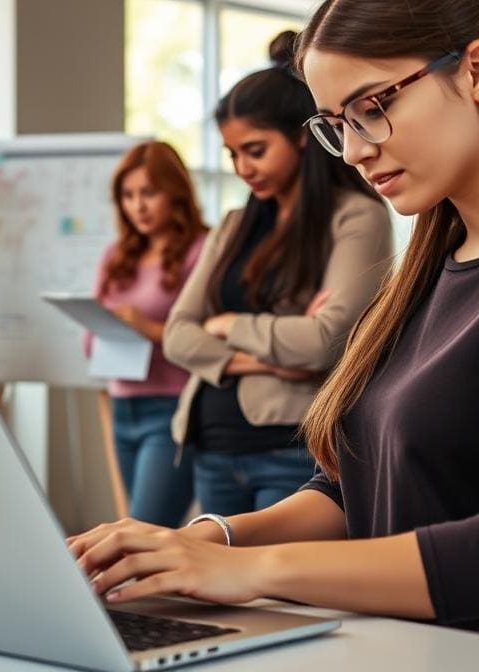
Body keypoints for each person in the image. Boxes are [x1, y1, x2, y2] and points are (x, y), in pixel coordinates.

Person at [70, 0, 479, 643]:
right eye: (335, 125)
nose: (354, 151)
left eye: (371, 109)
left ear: (478, 70)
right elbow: (352, 489)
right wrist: (212, 540)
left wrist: (250, 574)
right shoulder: (430, 264)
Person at [161, 31, 392, 516]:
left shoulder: (355, 217)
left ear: (301, 137)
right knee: (211, 589)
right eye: (232, 155)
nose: (243, 167)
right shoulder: (234, 226)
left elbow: (323, 343)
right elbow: (177, 336)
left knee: (276, 588)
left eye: (256, 150)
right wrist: (270, 357)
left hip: (290, 452)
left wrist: (227, 326)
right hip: (210, 447)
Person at [88, 141, 207, 527]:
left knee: (144, 528)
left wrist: (147, 327)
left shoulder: (201, 249)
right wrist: (99, 328)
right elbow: (91, 338)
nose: (138, 205)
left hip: (173, 408)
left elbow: (207, 338)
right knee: (135, 529)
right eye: (128, 195)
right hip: (122, 405)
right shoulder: (116, 254)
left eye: (148, 193)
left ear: (174, 193)